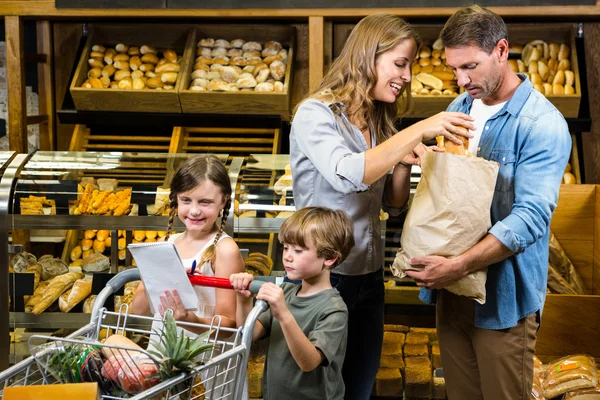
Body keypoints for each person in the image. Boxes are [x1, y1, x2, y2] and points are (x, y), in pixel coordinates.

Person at [289, 12, 474, 399]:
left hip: (369, 274)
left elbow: (394, 201)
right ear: (368, 56)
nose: (406, 76)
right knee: (318, 386)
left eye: (409, 66)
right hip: (324, 275)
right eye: (400, 63)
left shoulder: (377, 118)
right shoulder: (315, 114)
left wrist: (403, 165)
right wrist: (414, 133)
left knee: (360, 384)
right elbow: (348, 174)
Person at [405, 5, 572, 400]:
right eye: (454, 69)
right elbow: (451, 200)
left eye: (471, 67)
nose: (461, 80)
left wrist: (459, 264)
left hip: (504, 301)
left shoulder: (541, 123)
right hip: (452, 293)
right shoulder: (456, 110)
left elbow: (530, 218)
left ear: (501, 50)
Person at [230, 207, 355, 400]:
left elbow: (309, 362)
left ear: (329, 258)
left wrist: (283, 314)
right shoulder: (287, 292)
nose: (287, 256)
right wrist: (243, 298)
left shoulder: (334, 310)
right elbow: (251, 333)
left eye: (298, 250)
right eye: (286, 247)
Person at [132, 154, 244, 334]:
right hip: (161, 350)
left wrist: (190, 320)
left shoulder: (225, 250)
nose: (194, 210)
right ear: (176, 198)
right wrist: (162, 279)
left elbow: (229, 324)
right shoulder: (164, 244)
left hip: (203, 355)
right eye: (186, 200)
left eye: (205, 202)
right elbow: (139, 310)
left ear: (223, 201)